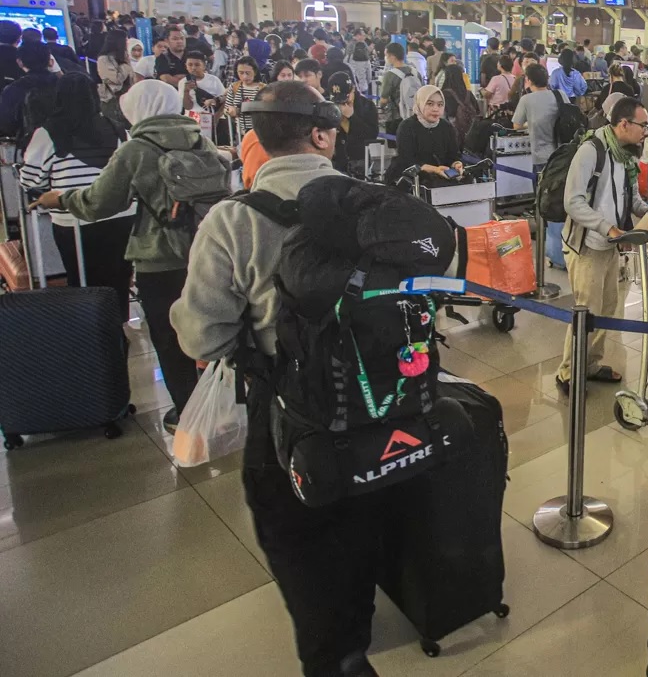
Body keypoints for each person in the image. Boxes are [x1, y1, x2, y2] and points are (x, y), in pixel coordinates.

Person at [168, 80, 390, 677]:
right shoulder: (375, 203)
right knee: (364, 508)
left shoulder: (232, 220)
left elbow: (201, 337)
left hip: (286, 404)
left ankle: (332, 655)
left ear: (259, 142)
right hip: (378, 393)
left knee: (291, 526)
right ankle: (358, 624)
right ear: (321, 135)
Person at [30, 79, 225, 434]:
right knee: (210, 326)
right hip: (207, 249)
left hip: (159, 256)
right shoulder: (201, 140)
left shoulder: (137, 148)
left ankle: (188, 412)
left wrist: (61, 199)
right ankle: (219, 405)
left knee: (168, 334)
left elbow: (98, 202)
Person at [557, 96, 648, 391]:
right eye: (643, 125)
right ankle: (568, 372)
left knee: (608, 308)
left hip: (612, 244)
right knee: (586, 311)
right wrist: (606, 226)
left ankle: (590, 364)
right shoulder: (591, 151)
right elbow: (572, 202)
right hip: (587, 246)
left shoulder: (626, 154)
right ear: (623, 124)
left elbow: (632, 197)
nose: (646, 131)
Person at [19, 73, 134, 296]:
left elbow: (31, 180)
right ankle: (119, 317)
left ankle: (88, 317)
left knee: (82, 283)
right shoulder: (117, 129)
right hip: (120, 216)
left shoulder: (47, 133)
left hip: (74, 219)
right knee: (119, 281)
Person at [387, 85, 463, 187]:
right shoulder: (407, 127)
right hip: (409, 180)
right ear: (420, 103)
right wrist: (435, 169)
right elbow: (407, 160)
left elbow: (453, 155)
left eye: (440, 105)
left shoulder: (446, 127)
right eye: (430, 104)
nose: (435, 109)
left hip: (440, 180)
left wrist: (456, 164)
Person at [0, 40, 59, 140]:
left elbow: (6, 125)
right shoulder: (65, 84)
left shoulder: (13, 90)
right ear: (50, 61)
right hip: (67, 143)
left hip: (29, 143)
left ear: (20, 62)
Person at [324, 72, 377, 177]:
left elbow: (372, 135)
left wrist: (352, 117)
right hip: (336, 159)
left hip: (359, 159)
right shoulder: (327, 105)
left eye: (345, 97)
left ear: (353, 89)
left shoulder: (366, 105)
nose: (342, 102)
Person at [512, 63, 561, 169]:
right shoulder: (560, 95)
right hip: (563, 152)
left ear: (529, 80)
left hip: (541, 155)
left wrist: (529, 123)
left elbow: (517, 126)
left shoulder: (526, 99)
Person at [377, 43, 420, 135]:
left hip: (395, 116)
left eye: (386, 55)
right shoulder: (415, 72)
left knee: (395, 142)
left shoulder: (390, 75)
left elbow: (384, 100)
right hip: (415, 115)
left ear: (392, 57)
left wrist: (381, 107)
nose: (386, 58)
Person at [95, 30, 135, 125]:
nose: (127, 43)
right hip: (112, 100)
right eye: (126, 40)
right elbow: (115, 79)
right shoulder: (104, 59)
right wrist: (125, 65)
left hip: (127, 97)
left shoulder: (123, 56)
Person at [224, 56, 266, 141]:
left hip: (260, 134)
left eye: (248, 73)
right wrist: (230, 110)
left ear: (255, 71)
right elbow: (226, 109)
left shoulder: (264, 88)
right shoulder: (234, 87)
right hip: (240, 133)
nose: (244, 77)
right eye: (241, 73)